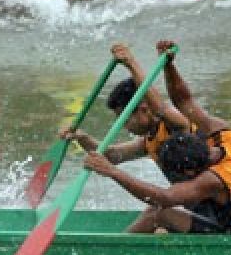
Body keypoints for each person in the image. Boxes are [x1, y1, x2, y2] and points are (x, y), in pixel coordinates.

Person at [82, 40, 231, 235]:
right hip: (215, 214)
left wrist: (112, 172)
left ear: (190, 172)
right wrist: (169, 66)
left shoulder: (212, 179)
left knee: (159, 214)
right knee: (158, 215)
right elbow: (183, 100)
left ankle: (112, 253)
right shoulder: (224, 134)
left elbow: (164, 197)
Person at [63, 43, 192, 181]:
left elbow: (160, 107)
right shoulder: (150, 139)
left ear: (144, 108)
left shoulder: (174, 125)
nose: (124, 126)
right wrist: (83, 138)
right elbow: (112, 155)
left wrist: (131, 63)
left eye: (125, 119)